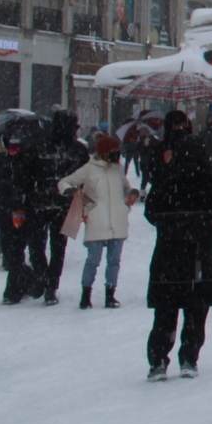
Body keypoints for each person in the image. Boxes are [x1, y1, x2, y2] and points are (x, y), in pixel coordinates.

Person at [144, 111, 212, 380]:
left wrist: (173, 226)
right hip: (200, 256)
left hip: (169, 256)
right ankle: (189, 358)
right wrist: (201, 225)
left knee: (165, 310)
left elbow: (151, 213)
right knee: (196, 309)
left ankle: (158, 360)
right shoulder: (210, 183)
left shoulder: (165, 183)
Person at [58, 131, 139, 309]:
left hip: (118, 221)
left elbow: (126, 188)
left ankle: (111, 294)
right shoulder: (89, 169)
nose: (116, 154)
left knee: (114, 261)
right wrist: (71, 191)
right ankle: (86, 294)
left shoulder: (117, 168)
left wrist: (132, 194)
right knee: (93, 260)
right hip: (97, 220)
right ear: (103, 152)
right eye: (112, 151)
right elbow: (65, 182)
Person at [0, 117, 56, 304]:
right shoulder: (2, 161)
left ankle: (38, 284)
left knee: (35, 253)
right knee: (13, 255)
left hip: (32, 212)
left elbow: (42, 185)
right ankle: (20, 286)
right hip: (9, 213)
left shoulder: (36, 160)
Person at [40, 109, 88, 302]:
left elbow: (86, 178)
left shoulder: (46, 146)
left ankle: (49, 283)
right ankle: (49, 282)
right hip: (54, 203)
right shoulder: (75, 150)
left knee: (50, 247)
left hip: (55, 203)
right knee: (54, 247)